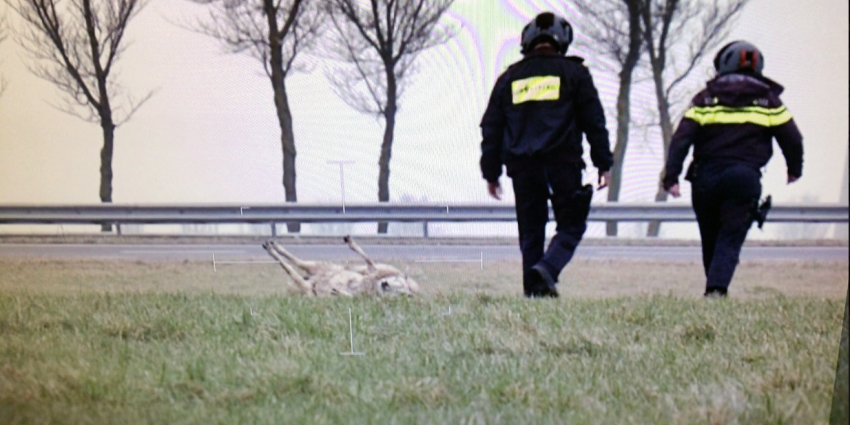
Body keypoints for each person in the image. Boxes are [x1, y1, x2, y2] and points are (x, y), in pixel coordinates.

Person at [479, 12, 613, 298]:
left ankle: (534, 293)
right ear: (562, 41)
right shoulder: (575, 74)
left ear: (527, 42)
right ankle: (548, 270)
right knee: (572, 225)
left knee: (530, 232)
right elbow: (594, 121)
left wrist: (491, 173)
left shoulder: (509, 78)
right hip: (563, 164)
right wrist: (604, 163)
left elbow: (492, 127)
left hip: (522, 168)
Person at [662, 41, 804, 297]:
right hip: (744, 177)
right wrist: (794, 169)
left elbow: (681, 138)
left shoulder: (704, 99)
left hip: (705, 177)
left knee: (710, 236)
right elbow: (792, 138)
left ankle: (714, 289)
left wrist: (671, 177)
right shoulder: (769, 101)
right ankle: (716, 289)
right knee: (730, 236)